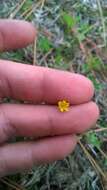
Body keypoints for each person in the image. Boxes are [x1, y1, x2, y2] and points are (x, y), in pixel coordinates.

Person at [0, 19, 99, 177]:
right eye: (63, 106)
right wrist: (61, 107)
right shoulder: (62, 105)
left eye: (64, 106)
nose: (63, 107)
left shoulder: (63, 105)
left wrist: (62, 107)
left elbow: (63, 106)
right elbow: (61, 106)